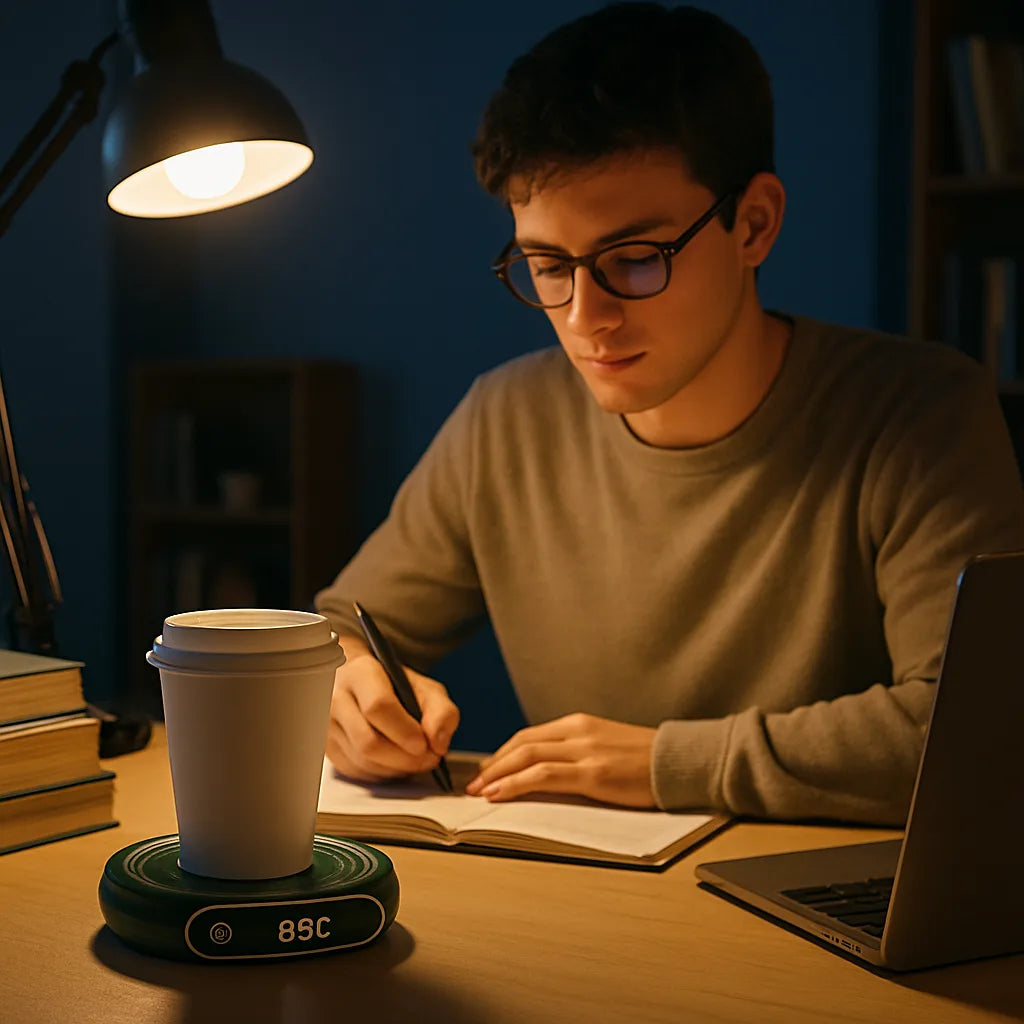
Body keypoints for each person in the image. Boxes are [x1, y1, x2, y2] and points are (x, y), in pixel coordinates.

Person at [314, 2, 1024, 825]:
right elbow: (338, 627)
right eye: (547, 266)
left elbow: (975, 731)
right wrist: (347, 689)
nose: (585, 316)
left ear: (753, 223)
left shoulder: (918, 413)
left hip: (825, 914)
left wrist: (664, 763)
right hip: (595, 907)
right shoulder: (504, 420)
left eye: (634, 260)